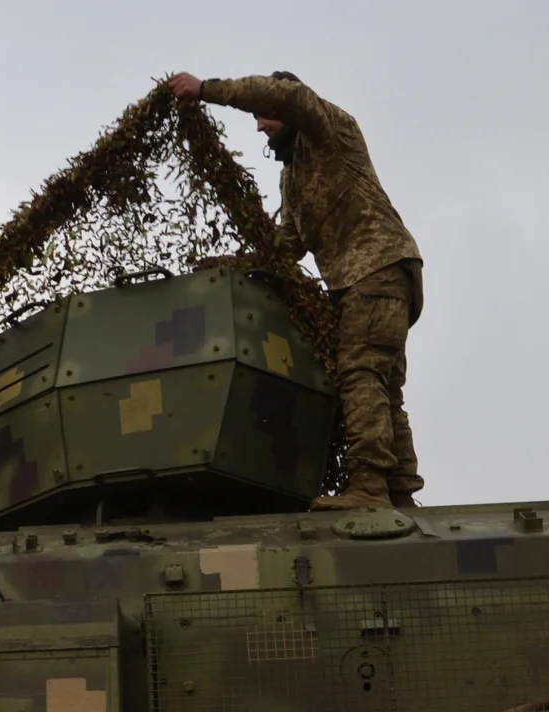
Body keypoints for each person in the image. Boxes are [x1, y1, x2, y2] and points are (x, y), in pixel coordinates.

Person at [169, 70, 425, 510]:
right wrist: (234, 265)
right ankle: (397, 490)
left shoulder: (329, 129)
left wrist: (207, 90)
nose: (259, 126)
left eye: (264, 115)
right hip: (363, 281)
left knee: (360, 371)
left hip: (376, 267)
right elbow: (288, 246)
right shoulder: (291, 177)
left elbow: (288, 96)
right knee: (383, 383)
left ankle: (369, 486)